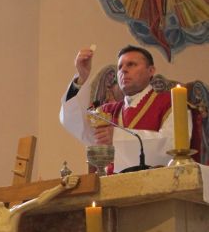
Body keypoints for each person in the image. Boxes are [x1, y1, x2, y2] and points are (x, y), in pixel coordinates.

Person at [59, 44, 190, 173]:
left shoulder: (171, 103)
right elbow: (75, 122)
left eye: (131, 64)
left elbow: (173, 145)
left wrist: (116, 136)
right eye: (120, 67)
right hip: (112, 183)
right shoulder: (106, 112)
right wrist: (82, 77)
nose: (123, 70)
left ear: (151, 71)